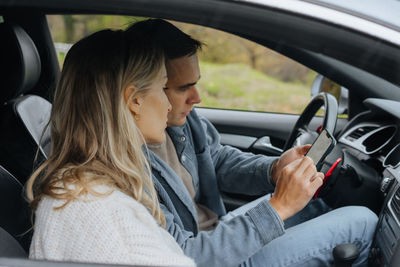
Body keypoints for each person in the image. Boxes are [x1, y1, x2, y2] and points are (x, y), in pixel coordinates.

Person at [125, 19, 378, 267]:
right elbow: (184, 257)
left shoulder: (181, 121)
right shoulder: (126, 169)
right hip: (213, 255)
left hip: (221, 231)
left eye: (196, 83)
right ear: (140, 94)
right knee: (363, 221)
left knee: (317, 199)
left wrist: (274, 168)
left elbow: (216, 159)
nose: (197, 98)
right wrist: (278, 208)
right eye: (183, 88)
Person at [26, 29, 195, 267]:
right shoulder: (99, 211)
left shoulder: (84, 188)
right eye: (163, 87)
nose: (168, 105)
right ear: (134, 99)